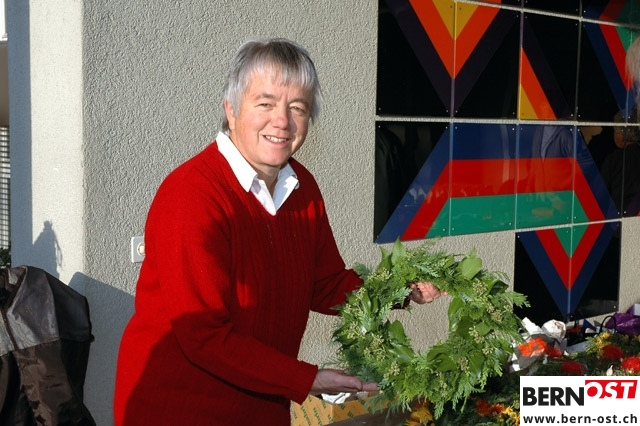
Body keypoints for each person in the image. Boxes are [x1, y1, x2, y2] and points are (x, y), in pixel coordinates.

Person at [113, 38, 444, 426]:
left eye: (297, 108)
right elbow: (203, 335)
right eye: (265, 103)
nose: (282, 121)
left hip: (262, 405)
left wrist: (401, 291)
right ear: (231, 110)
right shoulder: (192, 195)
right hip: (179, 409)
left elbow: (324, 284)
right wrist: (306, 379)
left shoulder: (301, 186)